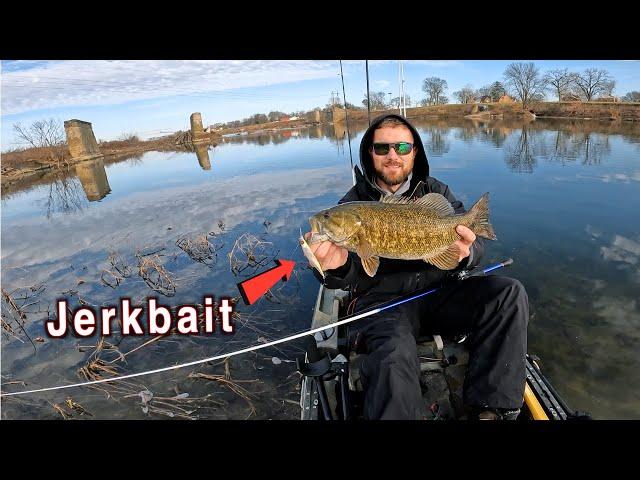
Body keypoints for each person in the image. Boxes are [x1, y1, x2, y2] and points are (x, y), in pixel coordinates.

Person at [304, 114, 529, 420]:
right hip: (384, 306)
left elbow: (474, 248)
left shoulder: (436, 191)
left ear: (415, 151)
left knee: (509, 294)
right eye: (382, 148)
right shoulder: (352, 203)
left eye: (401, 147)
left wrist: (466, 253)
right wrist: (336, 267)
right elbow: (345, 278)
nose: (392, 155)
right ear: (370, 154)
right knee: (393, 355)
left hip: (440, 294)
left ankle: (492, 410)